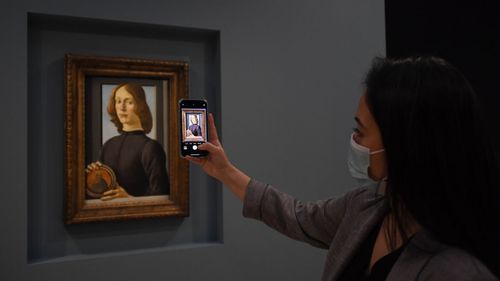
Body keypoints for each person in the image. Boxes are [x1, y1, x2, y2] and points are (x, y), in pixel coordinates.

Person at [187, 57, 500, 280]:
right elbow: (296, 217)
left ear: (405, 144)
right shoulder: (365, 210)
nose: (354, 140)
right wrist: (225, 171)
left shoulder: (456, 270)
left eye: (361, 131)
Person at [87, 83, 169, 200]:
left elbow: (161, 195)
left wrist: (129, 199)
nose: (122, 107)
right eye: (118, 101)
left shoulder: (150, 147)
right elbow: (100, 192)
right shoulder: (109, 145)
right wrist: (94, 175)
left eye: (129, 102)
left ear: (140, 106)